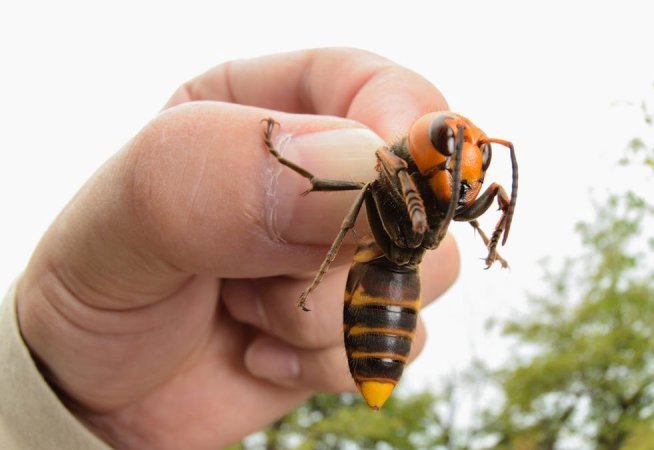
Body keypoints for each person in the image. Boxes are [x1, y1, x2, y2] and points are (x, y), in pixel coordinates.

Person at [0, 48, 460, 449]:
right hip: (382, 290)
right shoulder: (390, 160)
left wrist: (65, 421)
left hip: (393, 285)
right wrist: (52, 410)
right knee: (363, 188)